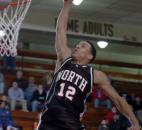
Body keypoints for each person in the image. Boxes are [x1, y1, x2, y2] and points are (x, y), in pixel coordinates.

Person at [37, 0, 140, 130]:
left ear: (90, 56)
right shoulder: (65, 59)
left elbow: (117, 100)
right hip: (48, 121)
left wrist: (135, 122)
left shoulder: (95, 75)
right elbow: (60, 29)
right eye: (78, 45)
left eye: (82, 46)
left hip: (71, 123)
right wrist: (67, 4)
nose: (77, 46)